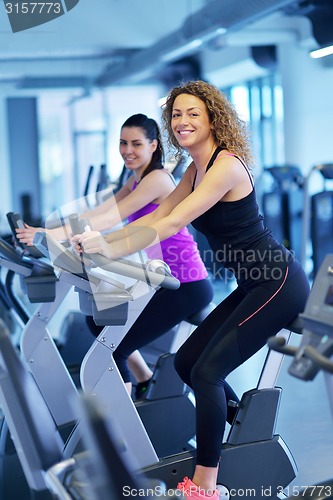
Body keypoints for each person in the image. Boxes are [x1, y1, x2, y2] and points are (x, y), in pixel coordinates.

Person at [73, 82, 310, 500]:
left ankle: (206, 485)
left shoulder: (226, 167)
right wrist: (101, 244)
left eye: (193, 114)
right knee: (185, 363)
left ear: (213, 118)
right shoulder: (193, 170)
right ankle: (240, 423)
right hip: (253, 282)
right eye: (177, 115)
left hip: (277, 281)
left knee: (207, 372)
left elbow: (168, 224)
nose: (182, 121)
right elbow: (159, 214)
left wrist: (106, 245)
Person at [17, 113, 213, 399]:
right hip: (163, 279)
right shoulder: (135, 180)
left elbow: (111, 218)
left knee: (111, 350)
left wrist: (51, 235)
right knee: (99, 323)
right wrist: (46, 231)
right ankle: (146, 381)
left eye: (136, 143)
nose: (128, 150)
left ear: (153, 146)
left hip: (186, 284)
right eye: (123, 143)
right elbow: (98, 212)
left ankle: (122, 430)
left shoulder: (157, 179)